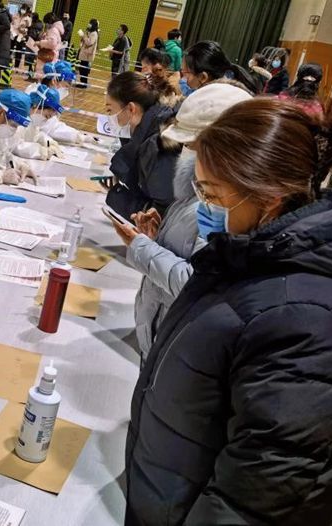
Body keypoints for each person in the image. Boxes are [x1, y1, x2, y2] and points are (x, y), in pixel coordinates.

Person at [125, 97, 332, 525]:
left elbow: (255, 499)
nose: (204, 207)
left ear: (270, 197)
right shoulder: (246, 258)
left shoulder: (306, 318)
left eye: (211, 194)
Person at [109, 82, 252, 362]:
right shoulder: (195, 188)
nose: (187, 151)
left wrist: (141, 247)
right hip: (159, 330)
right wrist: (157, 235)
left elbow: (196, 281)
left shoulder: (228, 206)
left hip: (176, 343)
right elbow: (189, 250)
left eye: (193, 146)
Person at [104, 71, 182, 219]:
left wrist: (118, 197)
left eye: (110, 110)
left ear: (131, 109)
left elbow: (160, 215)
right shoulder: (151, 132)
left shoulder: (160, 146)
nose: (109, 118)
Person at [182, 40, 259, 95]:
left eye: (185, 73)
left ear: (203, 77)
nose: (182, 79)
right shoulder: (230, 90)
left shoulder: (214, 102)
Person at [76, 18, 98, 88]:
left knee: (84, 70)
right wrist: (82, 36)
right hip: (84, 53)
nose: (89, 24)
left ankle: (84, 84)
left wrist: (84, 36)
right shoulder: (89, 32)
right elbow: (85, 41)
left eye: (90, 23)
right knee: (81, 69)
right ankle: (82, 82)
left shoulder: (94, 33)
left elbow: (89, 42)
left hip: (88, 55)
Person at [9, 3, 30, 69]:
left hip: (21, 36)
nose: (23, 10)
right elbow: (11, 23)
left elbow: (28, 28)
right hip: (13, 34)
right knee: (10, 48)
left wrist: (24, 30)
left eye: (24, 9)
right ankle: (7, 62)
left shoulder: (28, 18)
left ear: (26, 11)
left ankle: (16, 66)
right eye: (22, 9)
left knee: (19, 50)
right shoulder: (16, 14)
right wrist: (11, 29)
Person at [24, 11, 42, 79]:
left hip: (34, 42)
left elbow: (34, 33)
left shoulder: (36, 24)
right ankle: (30, 74)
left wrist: (29, 27)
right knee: (30, 59)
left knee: (32, 59)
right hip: (31, 42)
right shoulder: (34, 23)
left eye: (32, 16)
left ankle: (32, 74)